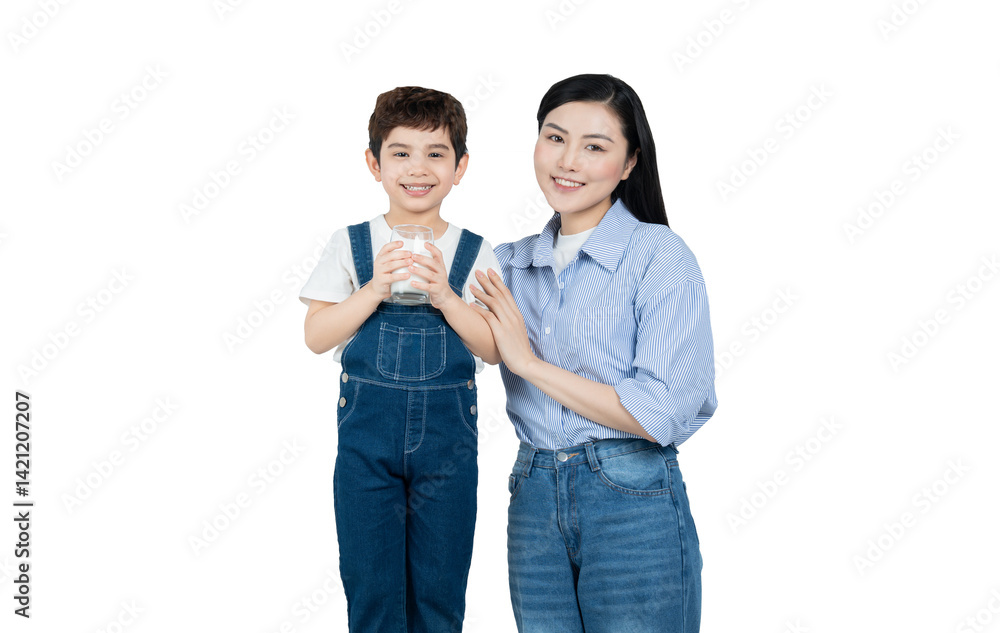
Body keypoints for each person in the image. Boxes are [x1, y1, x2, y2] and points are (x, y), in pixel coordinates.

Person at [470, 74, 718, 632]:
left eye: (595, 146)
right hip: (534, 494)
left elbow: (660, 412)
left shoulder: (659, 256)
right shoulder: (507, 265)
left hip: (630, 496)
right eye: (555, 138)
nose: (568, 161)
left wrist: (528, 365)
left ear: (630, 164)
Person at [299, 85, 501, 633]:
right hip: (367, 446)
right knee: (372, 589)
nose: (418, 167)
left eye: (436, 153)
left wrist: (447, 298)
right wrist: (373, 289)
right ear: (375, 163)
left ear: (460, 167)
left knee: (439, 590)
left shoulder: (474, 250)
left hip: (447, 451)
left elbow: (492, 347)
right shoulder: (352, 243)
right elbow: (316, 335)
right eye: (401, 152)